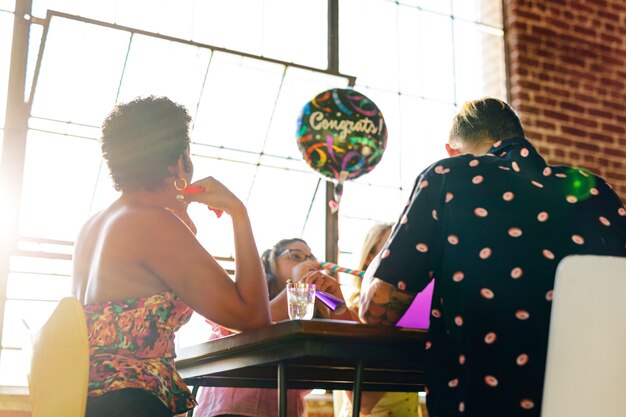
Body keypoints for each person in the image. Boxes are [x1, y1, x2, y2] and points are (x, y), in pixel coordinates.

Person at [358, 97, 626, 417]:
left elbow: (377, 310)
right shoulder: (599, 193)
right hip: (599, 401)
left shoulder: (448, 176)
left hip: (487, 403)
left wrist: (387, 253)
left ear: (452, 151)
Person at [71, 96, 271, 417]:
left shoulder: (97, 224)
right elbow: (253, 317)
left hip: (87, 398)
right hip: (128, 401)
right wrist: (238, 212)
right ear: (177, 162)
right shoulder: (152, 223)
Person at [194, 237, 355, 417]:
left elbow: (350, 355)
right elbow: (253, 324)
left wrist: (335, 298)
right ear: (272, 262)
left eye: (311, 258)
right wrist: (298, 288)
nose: (307, 262)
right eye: (296, 256)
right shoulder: (242, 298)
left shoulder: (309, 315)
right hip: (229, 411)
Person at [337, 222, 422, 417]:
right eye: (395, 248)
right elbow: (364, 402)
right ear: (369, 260)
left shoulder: (419, 313)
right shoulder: (352, 316)